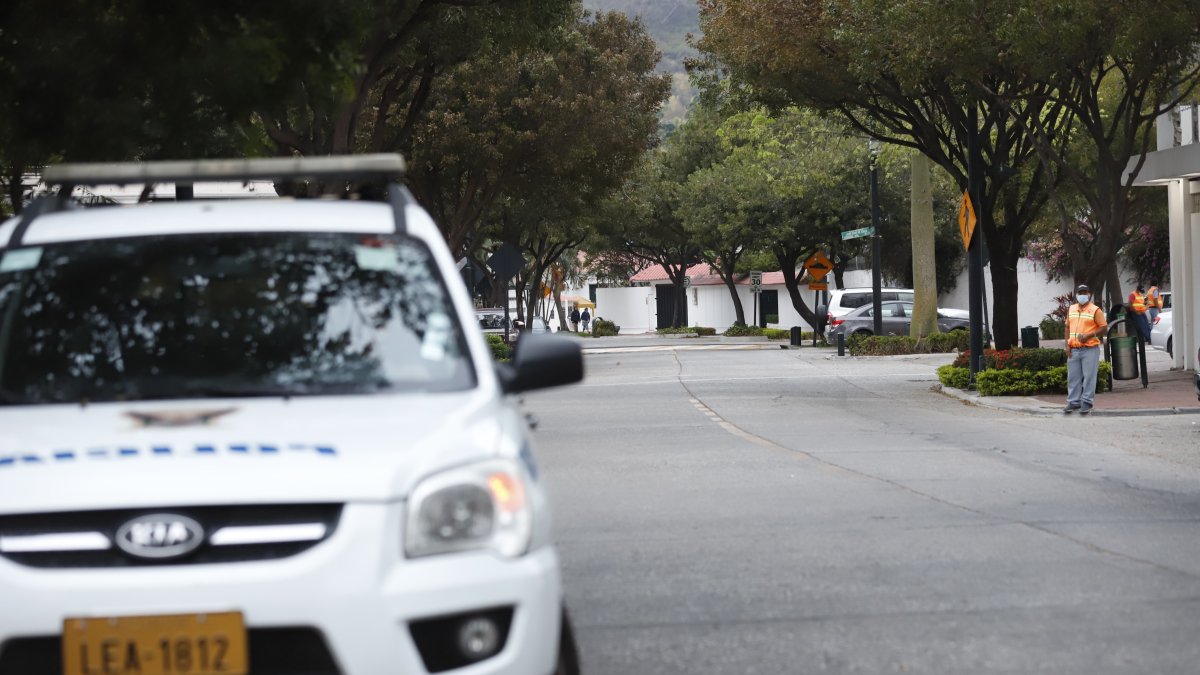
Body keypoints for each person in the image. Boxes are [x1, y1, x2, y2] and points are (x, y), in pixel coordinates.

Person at [1064, 284, 1107, 415]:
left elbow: (1104, 327)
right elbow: (1067, 327)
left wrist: (1089, 335)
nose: (1082, 295)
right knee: (1073, 377)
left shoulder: (1095, 310)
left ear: (1089, 294)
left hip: (1090, 349)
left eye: (1085, 292)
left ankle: (1087, 401)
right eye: (1080, 292)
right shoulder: (1071, 309)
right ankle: (1074, 401)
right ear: (1076, 295)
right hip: (1074, 349)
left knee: (1089, 376)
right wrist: (1067, 345)